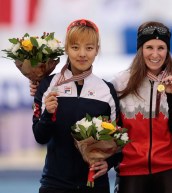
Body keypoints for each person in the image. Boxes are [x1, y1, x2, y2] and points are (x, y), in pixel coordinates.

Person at [32, 19, 119, 193]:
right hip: (55, 185)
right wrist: (48, 115)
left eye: (89, 48)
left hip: (94, 185)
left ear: (97, 51)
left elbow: (118, 140)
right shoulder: (48, 85)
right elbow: (40, 138)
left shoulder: (107, 90)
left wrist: (108, 163)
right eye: (75, 47)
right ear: (66, 49)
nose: (82, 54)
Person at [111, 21, 172, 193]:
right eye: (149, 47)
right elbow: (112, 130)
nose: (155, 54)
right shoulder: (120, 82)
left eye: (161, 48)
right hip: (130, 171)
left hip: (169, 171)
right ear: (140, 49)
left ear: (167, 50)